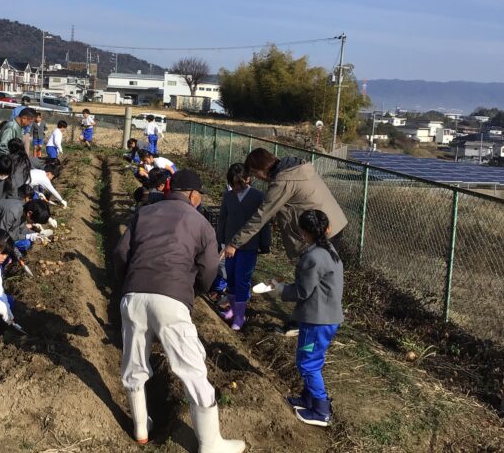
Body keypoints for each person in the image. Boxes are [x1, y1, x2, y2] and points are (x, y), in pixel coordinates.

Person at [113, 169, 246, 452]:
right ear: (194, 195)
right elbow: (209, 269)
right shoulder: (200, 223)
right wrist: (194, 289)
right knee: (192, 368)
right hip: (170, 299)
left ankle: (140, 427)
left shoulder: (145, 213)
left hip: (133, 296)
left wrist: (129, 282)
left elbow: (121, 254)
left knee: (134, 364)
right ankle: (211, 444)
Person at [271, 209, 344, 428]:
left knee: (308, 363)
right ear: (327, 228)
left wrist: (279, 290)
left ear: (304, 233)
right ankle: (307, 398)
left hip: (318, 320)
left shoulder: (313, 257)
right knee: (312, 358)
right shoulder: (330, 249)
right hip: (326, 316)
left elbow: (302, 291)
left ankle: (321, 411)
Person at [227, 148, 348, 260]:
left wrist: (234, 243)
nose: (256, 177)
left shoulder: (283, 181)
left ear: (261, 169)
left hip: (320, 230)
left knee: (316, 271)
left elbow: (261, 216)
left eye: (254, 173)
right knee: (326, 269)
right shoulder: (295, 168)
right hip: (334, 221)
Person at [214, 163, 271, 331]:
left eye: (240, 183)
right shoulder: (228, 196)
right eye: (233, 184)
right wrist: (220, 241)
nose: (237, 187)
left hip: (249, 245)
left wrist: (265, 242)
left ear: (248, 179)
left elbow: (264, 221)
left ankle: (240, 316)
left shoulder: (258, 196)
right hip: (229, 244)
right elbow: (223, 219)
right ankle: (232, 309)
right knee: (230, 276)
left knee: (242, 279)